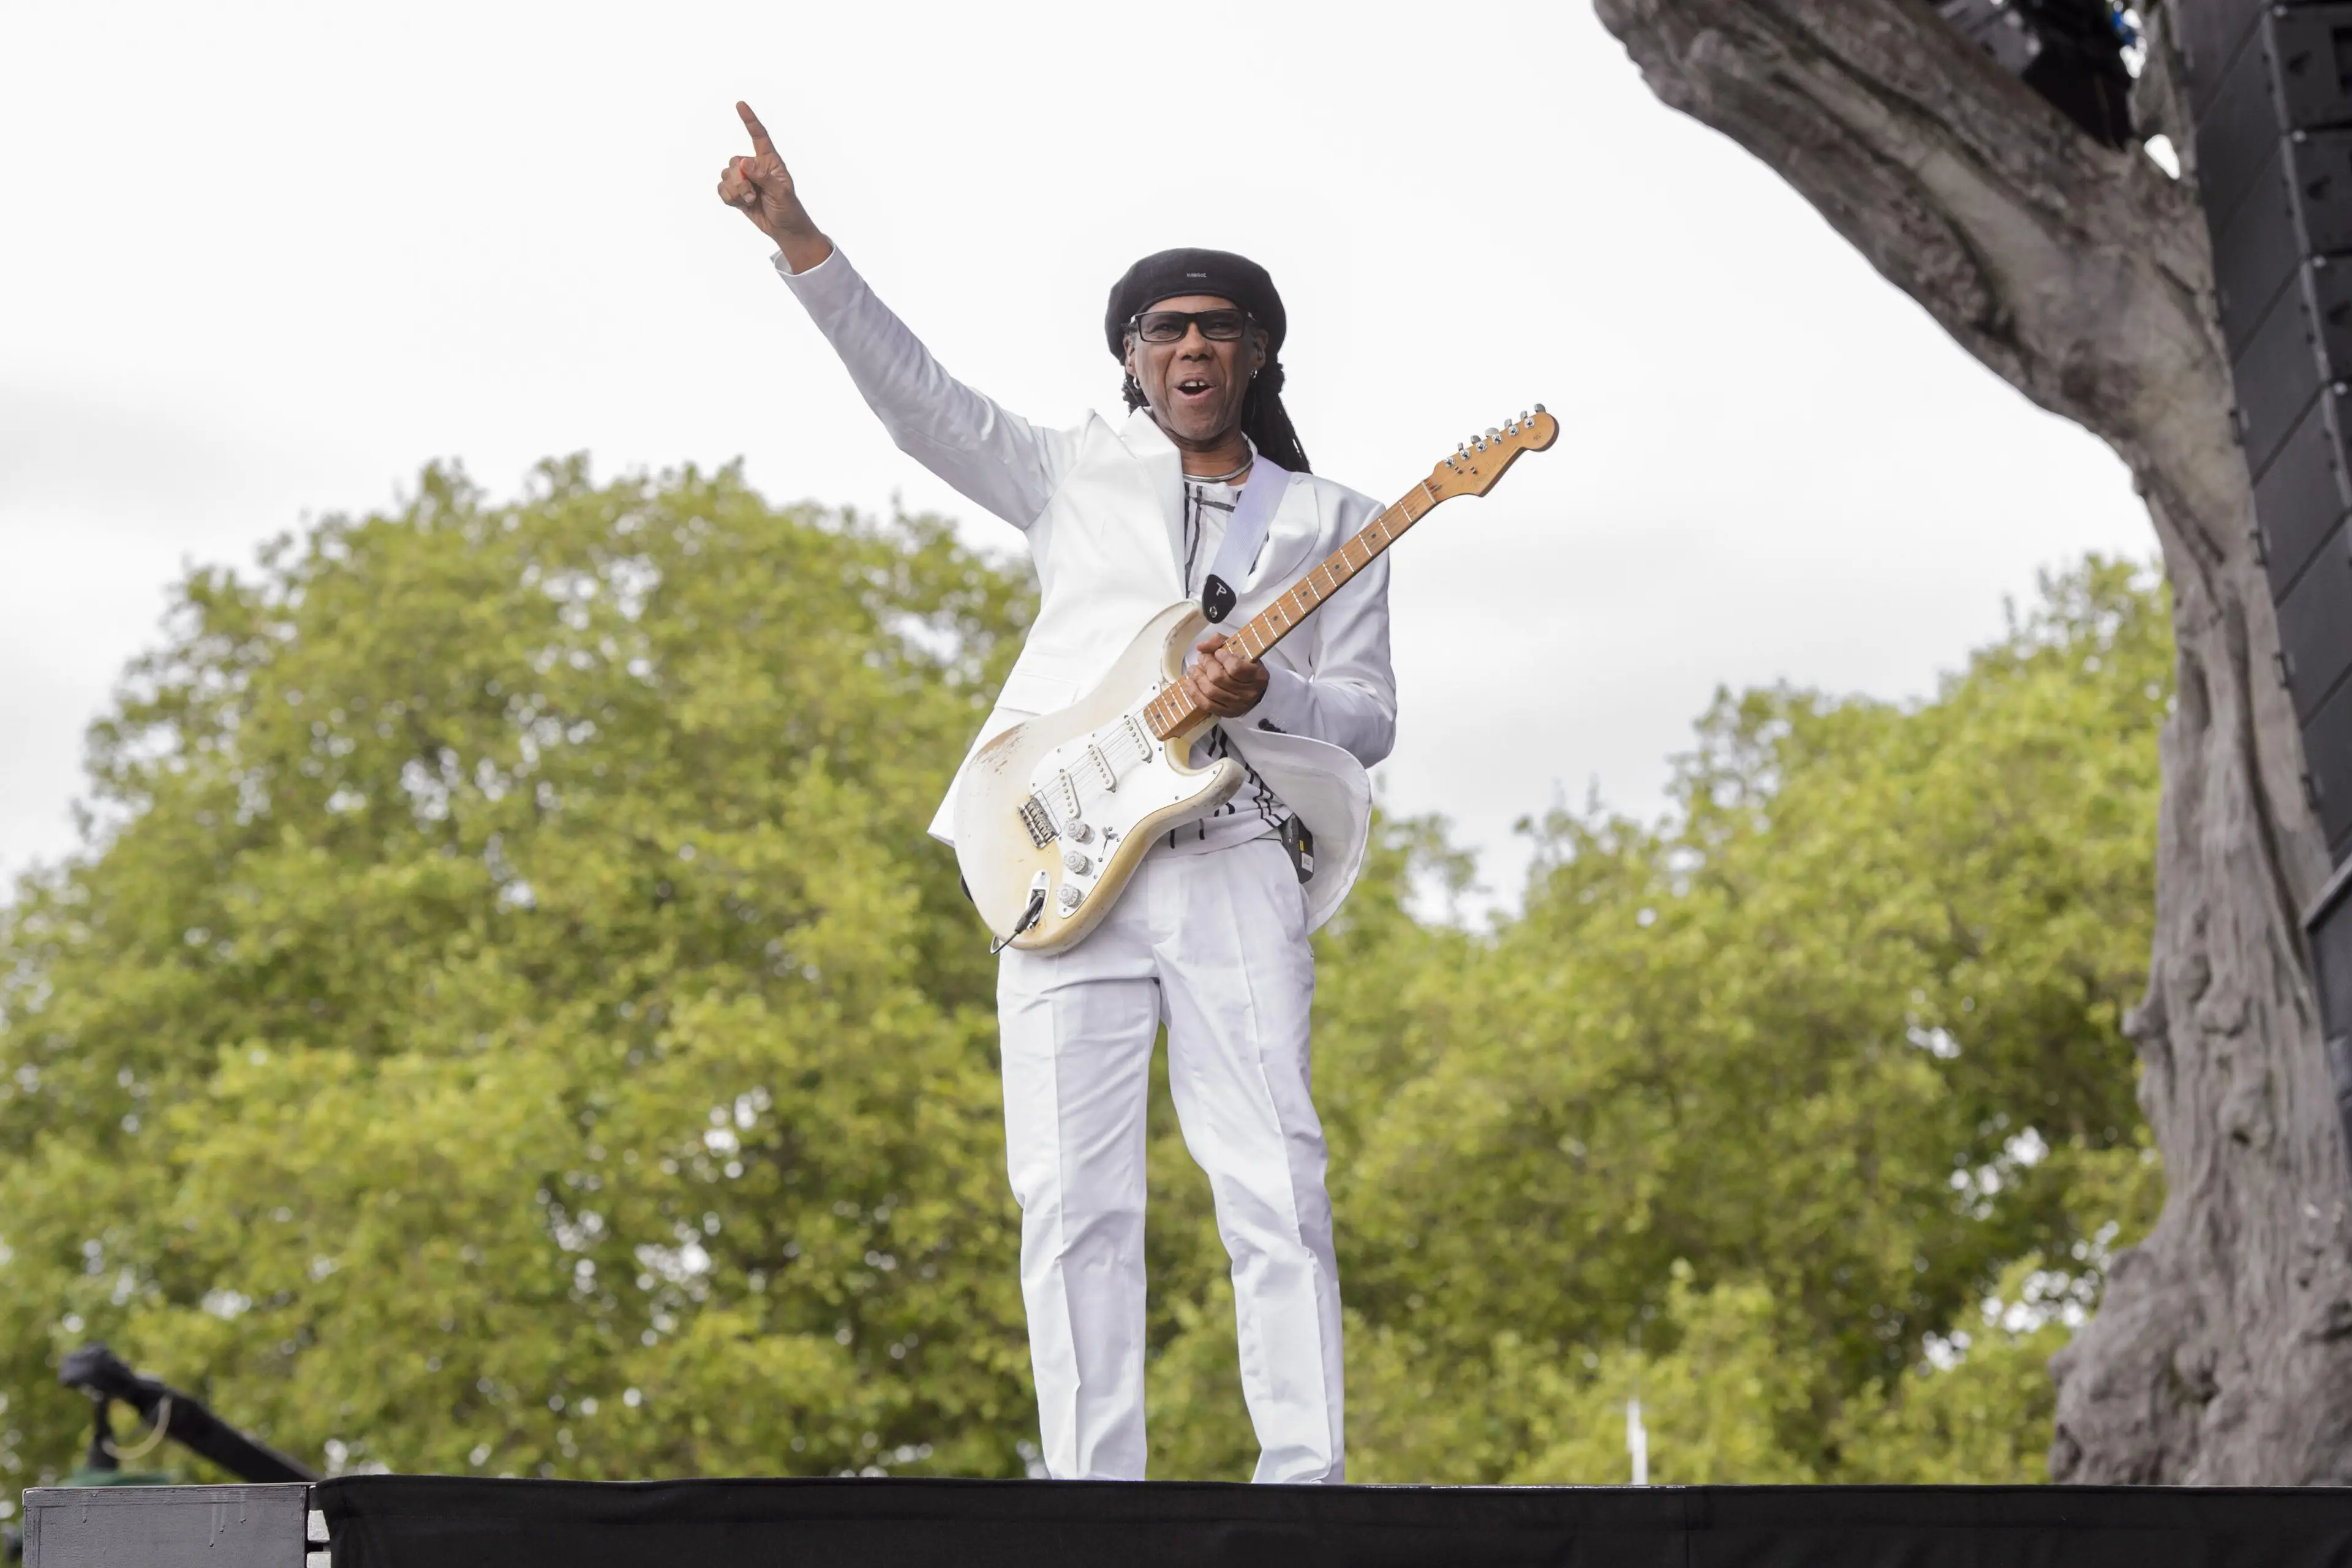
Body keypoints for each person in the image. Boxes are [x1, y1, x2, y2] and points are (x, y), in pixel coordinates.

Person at [717, 101, 1395, 1485]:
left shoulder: (1337, 523)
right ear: (1132, 361)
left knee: (1277, 1173)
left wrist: (1270, 695)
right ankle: (1094, 1497)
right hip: (1060, 852)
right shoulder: (1071, 471)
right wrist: (799, 239)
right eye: (1165, 329)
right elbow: (918, 400)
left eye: (1218, 326)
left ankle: (1306, 1484)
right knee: (1071, 1198)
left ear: (1258, 353)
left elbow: (1370, 720)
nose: (1192, 345)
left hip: (1232, 855)